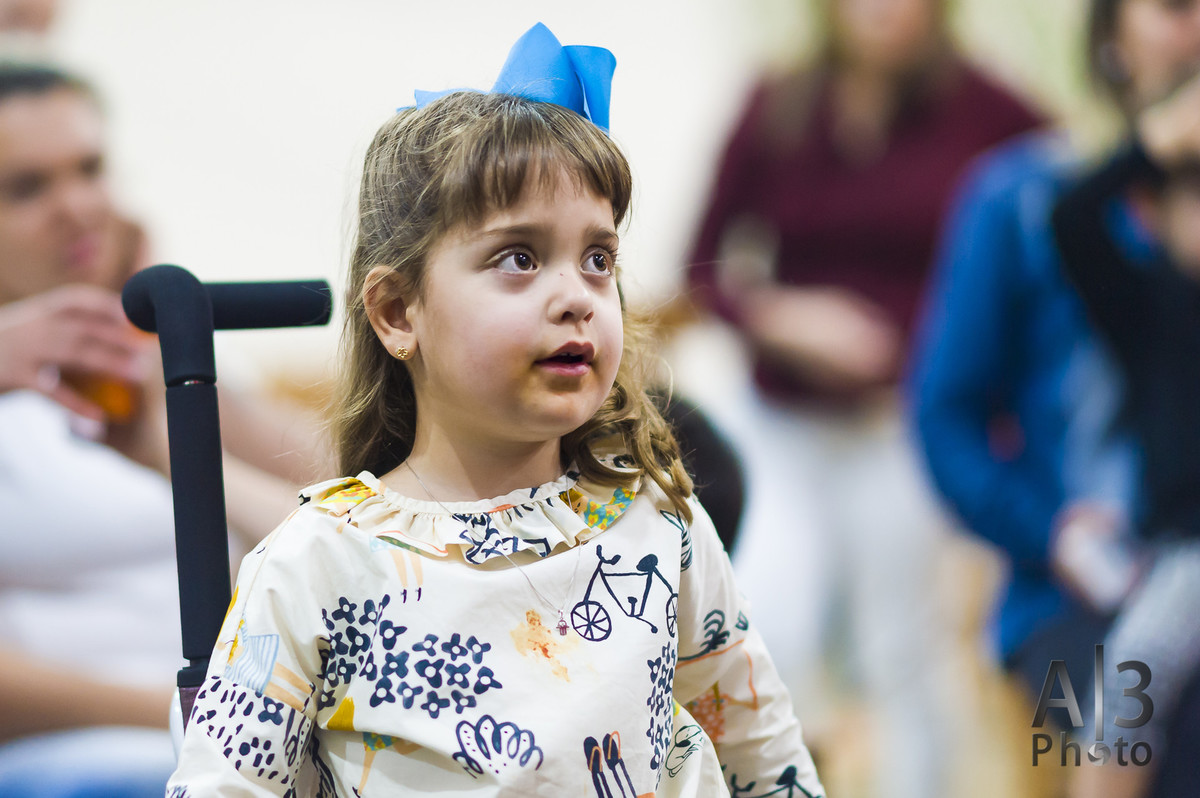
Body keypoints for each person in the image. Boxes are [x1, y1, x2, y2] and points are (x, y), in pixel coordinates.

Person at [167, 23, 825, 797]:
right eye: (519, 257)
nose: (576, 297)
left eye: (598, 259)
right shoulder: (313, 565)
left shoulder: (658, 521)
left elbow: (767, 760)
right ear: (397, 313)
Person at [684, 0, 1042, 794]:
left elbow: (1049, 246)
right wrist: (783, 318)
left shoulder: (988, 113)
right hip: (781, 425)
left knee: (905, 651)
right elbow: (701, 266)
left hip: (903, 425)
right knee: (773, 627)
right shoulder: (777, 106)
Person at [0, 60, 325, 797]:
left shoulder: (161, 354)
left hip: (245, 733)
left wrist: (172, 374)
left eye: (90, 169)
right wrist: (191, 717)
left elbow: (358, 490)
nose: (79, 206)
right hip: (99, 756)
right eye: (27, 187)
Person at [911, 0, 1200, 795]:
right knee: (1156, 736)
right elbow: (945, 418)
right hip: (1066, 601)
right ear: (1112, 34)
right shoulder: (1022, 200)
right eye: (1174, 7)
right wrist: (1050, 531)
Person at [1050, 65, 1200, 798]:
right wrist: (1159, 136)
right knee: (1126, 691)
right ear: (1160, 213)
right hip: (1184, 555)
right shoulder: (1150, 306)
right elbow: (1074, 217)